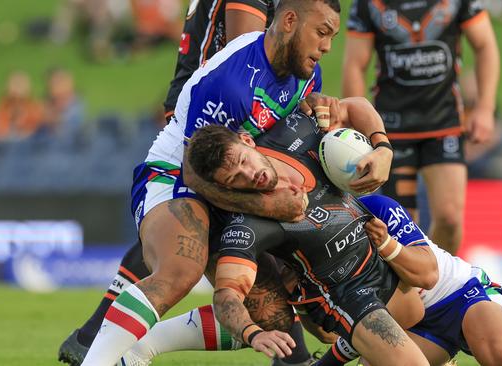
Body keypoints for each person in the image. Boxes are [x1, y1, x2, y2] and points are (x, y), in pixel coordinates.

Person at [79, 2, 392, 366]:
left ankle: (139, 349)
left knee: (271, 313)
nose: (326, 47)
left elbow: (287, 143)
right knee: (182, 268)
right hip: (175, 175)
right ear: (289, 21)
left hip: (238, 187)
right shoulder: (232, 80)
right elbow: (196, 172)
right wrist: (270, 207)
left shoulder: (307, 76)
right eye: (322, 33)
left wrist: (361, 138)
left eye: (332, 37)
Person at [58, 2, 282, 365]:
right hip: (212, 116)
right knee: (183, 261)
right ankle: (101, 343)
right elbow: (247, 53)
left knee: (262, 297)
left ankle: (104, 338)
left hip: (209, 105)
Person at [185, 118, 436, 365]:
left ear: (247, 141)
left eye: (243, 161)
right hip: (347, 297)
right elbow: (226, 295)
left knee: (430, 305)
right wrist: (253, 332)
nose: (250, 175)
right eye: (234, 179)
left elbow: (355, 106)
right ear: (224, 189)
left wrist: (383, 148)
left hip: (383, 265)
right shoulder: (249, 225)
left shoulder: (296, 135)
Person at [313, 195, 502, 366]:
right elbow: (343, 329)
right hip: (417, 324)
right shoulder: (309, 256)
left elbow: (427, 276)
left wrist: (385, 243)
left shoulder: (376, 208)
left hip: (460, 292)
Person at [342, 0, 500, 255]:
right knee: (403, 226)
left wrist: (485, 107)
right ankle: (410, 291)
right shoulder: (369, 5)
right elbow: (355, 64)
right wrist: (359, 124)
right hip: (393, 130)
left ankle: (436, 285)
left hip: (444, 123)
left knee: (450, 218)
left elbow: (485, 45)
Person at [0, 71, 45, 144]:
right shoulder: (1, 108)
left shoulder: (35, 108)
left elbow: (37, 130)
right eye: (15, 85)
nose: (18, 89)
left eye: (21, 85)